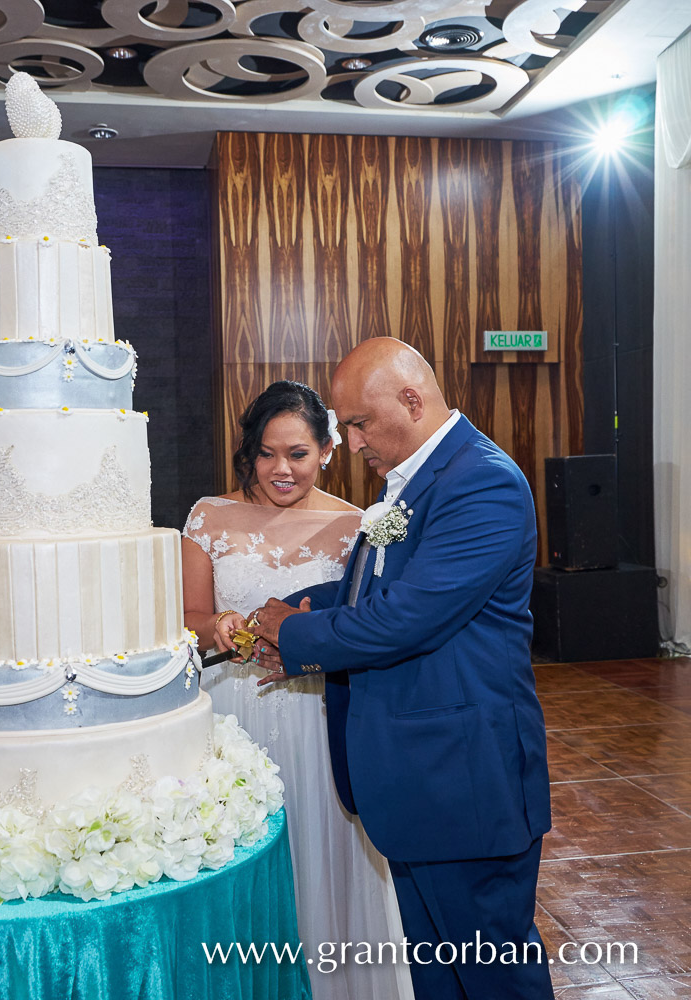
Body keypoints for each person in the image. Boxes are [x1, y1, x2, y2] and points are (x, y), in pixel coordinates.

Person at [251, 339, 553, 1000]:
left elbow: (406, 619)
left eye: (358, 423)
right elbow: (374, 592)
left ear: (412, 401)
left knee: (492, 974)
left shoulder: (484, 482)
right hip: (420, 780)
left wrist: (294, 633)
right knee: (440, 974)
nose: (351, 441)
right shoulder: (409, 480)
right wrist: (298, 610)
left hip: (465, 778)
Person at [182, 381, 414, 1000]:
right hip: (232, 709)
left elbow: (367, 623)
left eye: (298, 454)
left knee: (324, 850)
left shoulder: (355, 525)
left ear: (329, 450)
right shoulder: (208, 517)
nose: (281, 469)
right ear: (248, 451)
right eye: (266, 453)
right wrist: (219, 627)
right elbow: (187, 616)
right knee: (243, 850)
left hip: (320, 711)